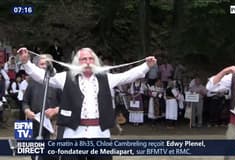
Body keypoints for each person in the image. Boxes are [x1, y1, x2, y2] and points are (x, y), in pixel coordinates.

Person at [18, 47, 157, 160]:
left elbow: (127, 76)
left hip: (99, 135)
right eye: (84, 59)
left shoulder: (106, 78)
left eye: (90, 59)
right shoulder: (65, 78)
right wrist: (26, 63)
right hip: (73, 135)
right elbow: (42, 76)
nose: (88, 62)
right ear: (77, 62)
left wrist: (146, 66)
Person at [23, 54, 61, 160]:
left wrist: (55, 110)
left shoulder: (58, 81)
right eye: (42, 64)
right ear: (37, 65)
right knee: (36, 154)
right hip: (36, 122)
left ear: (51, 65)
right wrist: (27, 110)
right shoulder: (32, 82)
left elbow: (66, 103)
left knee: (52, 154)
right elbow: (25, 101)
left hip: (53, 123)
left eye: (46, 64)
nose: (44, 66)